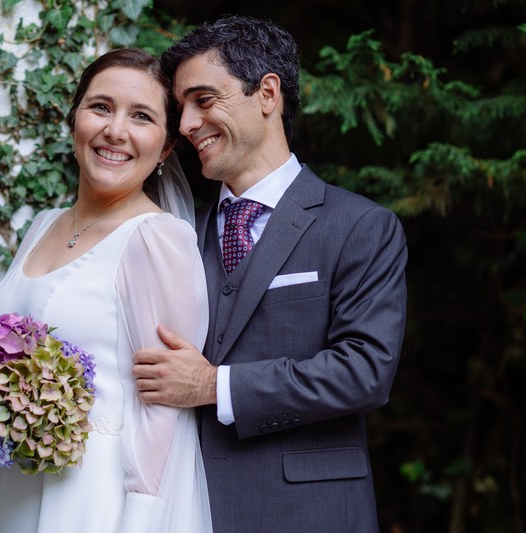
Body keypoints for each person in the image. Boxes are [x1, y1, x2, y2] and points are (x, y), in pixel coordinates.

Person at [132, 15, 408, 533]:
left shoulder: (360, 226)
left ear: (267, 93)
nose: (186, 124)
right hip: (187, 510)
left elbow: (364, 371)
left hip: (312, 514)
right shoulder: (174, 234)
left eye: (203, 100)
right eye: (181, 108)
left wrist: (214, 385)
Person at [0, 48, 212, 533]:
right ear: (74, 120)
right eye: (101, 107)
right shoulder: (42, 226)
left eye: (142, 116)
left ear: (166, 147)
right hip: (15, 483)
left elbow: (162, 405)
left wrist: (143, 516)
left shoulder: (157, 238)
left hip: (97, 495)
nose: (115, 131)